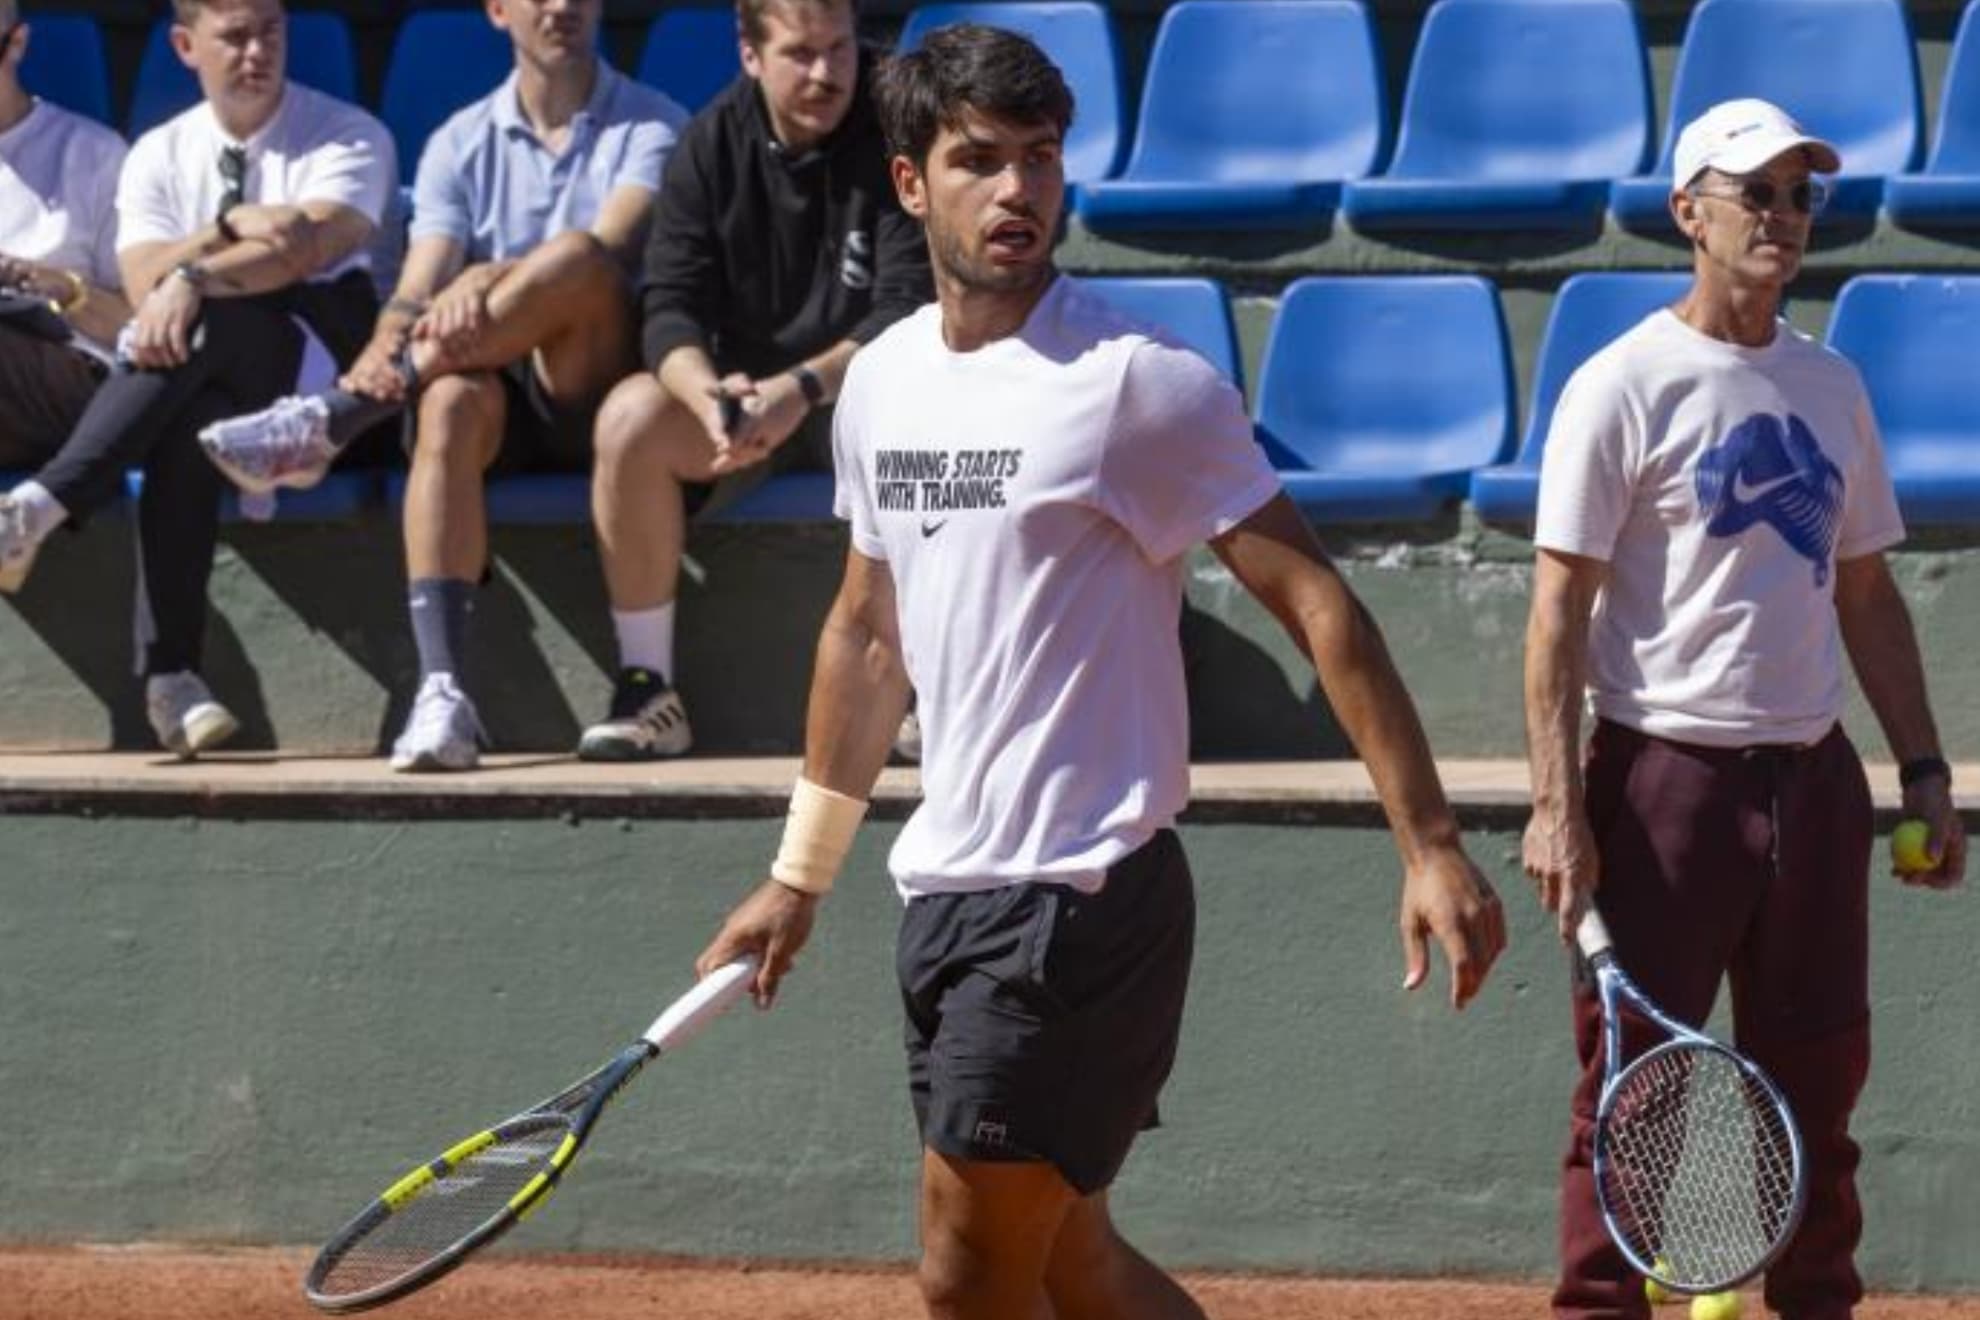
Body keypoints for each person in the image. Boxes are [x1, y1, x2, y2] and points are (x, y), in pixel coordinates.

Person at [693, 27, 1506, 1320]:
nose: (1018, 191)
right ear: (911, 184)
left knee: (964, 1279)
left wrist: (1431, 842)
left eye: (1041, 159)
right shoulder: (882, 386)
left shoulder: (1136, 386)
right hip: (948, 897)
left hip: (1081, 902)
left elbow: (1317, 605)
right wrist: (799, 877)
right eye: (978, 161)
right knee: (1073, 1261)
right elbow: (865, 635)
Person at [1520, 98, 1967, 1320]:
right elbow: (1557, 616)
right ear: (1689, 214)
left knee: (1820, 1081)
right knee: (1633, 1091)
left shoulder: (1831, 385)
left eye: (1797, 193)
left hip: (1813, 784)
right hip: (1664, 785)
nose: (1779, 215)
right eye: (1752, 191)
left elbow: (1865, 589)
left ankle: (1813, 1300)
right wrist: (1559, 808)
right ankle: (1603, 1303)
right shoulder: (1622, 386)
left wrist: (1921, 770)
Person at [197, 0, 686, 772]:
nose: (562, 7)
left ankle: (336, 419)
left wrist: (489, 273)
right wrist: (388, 341)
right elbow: (421, 282)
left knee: (575, 259)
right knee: (449, 404)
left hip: (601, 385)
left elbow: (613, 246)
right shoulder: (459, 141)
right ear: (498, 10)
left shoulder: (655, 122)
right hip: (486, 380)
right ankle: (444, 692)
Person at [0, 0, 392, 757]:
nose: (256, 53)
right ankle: (173, 681)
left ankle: (41, 505)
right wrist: (216, 239)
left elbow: (301, 248)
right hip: (208, 387)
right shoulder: (159, 153)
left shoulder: (346, 132)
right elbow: (143, 287)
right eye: (234, 37)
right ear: (186, 46)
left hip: (324, 382)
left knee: (208, 321)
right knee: (189, 401)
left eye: (270, 33)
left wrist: (190, 277)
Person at [580, 0, 930, 760]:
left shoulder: (898, 120)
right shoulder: (709, 142)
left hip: (875, 397)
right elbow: (669, 308)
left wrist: (799, 388)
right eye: (801, 54)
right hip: (752, 408)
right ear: (750, 53)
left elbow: (909, 311)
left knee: (940, 400)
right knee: (630, 417)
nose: (827, 73)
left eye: (840, 49)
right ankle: (648, 692)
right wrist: (707, 397)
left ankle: (933, 693)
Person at [0, 1, 133, 475]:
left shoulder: (93, 154)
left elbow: (137, 325)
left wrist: (46, 282)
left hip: (68, 374)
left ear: (15, 44)